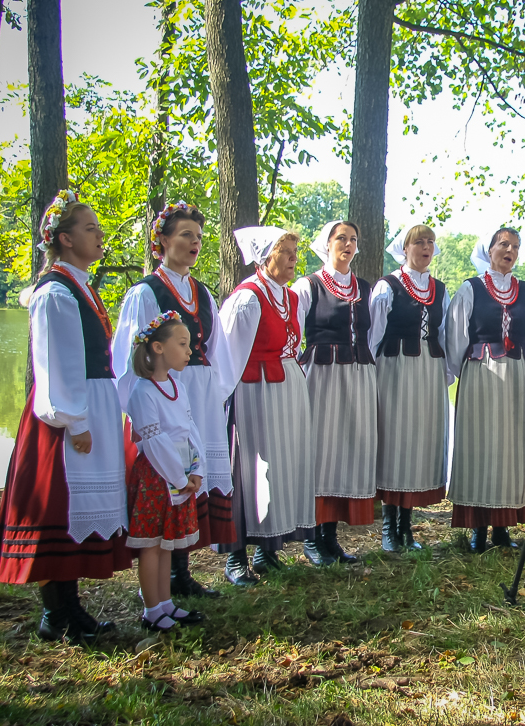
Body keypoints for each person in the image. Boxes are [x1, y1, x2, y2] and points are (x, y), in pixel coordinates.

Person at [0, 191, 132, 644]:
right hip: (64, 418)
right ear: (66, 239)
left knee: (76, 509)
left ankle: (70, 609)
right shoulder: (55, 291)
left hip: (88, 406)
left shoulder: (80, 285)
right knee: (60, 507)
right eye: (90, 228)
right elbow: (57, 362)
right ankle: (57, 613)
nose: (100, 235)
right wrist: (76, 420)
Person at [112, 202, 232, 599]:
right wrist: (140, 405)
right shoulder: (146, 292)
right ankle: (168, 580)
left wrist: (215, 397)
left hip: (198, 393)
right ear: (161, 241)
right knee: (170, 478)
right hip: (162, 398)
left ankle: (182, 570)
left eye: (198, 237)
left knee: (194, 473)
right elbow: (128, 357)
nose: (195, 243)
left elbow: (219, 351)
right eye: (185, 235)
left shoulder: (203, 293)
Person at [216, 227, 316, 584]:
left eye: (294, 251)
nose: (293, 258)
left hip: (287, 386)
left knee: (280, 465)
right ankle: (235, 557)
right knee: (251, 468)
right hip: (254, 390)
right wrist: (223, 405)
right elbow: (227, 358)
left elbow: (295, 345)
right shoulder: (247, 299)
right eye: (286, 252)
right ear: (265, 256)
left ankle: (267, 549)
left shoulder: (290, 298)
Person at [445, 227, 525, 553]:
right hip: (481, 374)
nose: (510, 250)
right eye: (503, 244)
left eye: (515, 246)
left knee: (512, 450)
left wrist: (521, 371)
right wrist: (467, 369)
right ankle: (478, 529)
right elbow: (456, 338)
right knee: (481, 447)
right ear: (488, 250)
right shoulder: (470, 289)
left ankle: (503, 529)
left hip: (517, 377)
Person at [293, 221, 376, 565]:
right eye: (341, 238)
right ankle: (311, 537)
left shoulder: (365, 287)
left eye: (353, 239)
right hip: (323, 375)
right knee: (320, 451)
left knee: (345, 451)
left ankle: (331, 538)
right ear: (326, 244)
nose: (348, 244)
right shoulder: (307, 285)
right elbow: (293, 332)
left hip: (357, 376)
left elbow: (374, 335)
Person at [123, 312, 208, 632]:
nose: (190, 351)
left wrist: (198, 467)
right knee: (152, 544)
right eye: (183, 344)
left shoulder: (176, 385)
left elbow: (189, 428)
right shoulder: (143, 393)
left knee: (164, 543)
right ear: (157, 348)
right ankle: (151, 610)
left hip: (179, 472)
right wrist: (178, 477)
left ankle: (165, 604)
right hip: (158, 477)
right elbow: (154, 442)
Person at [368, 224, 451, 552]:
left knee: (417, 443)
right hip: (395, 369)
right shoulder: (387, 287)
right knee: (396, 442)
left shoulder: (440, 290)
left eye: (430, 242)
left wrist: (444, 373)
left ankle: (407, 525)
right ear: (405, 248)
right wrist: (370, 376)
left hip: (427, 371)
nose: (426, 247)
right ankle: (390, 527)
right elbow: (374, 336)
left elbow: (443, 333)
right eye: (419, 241)